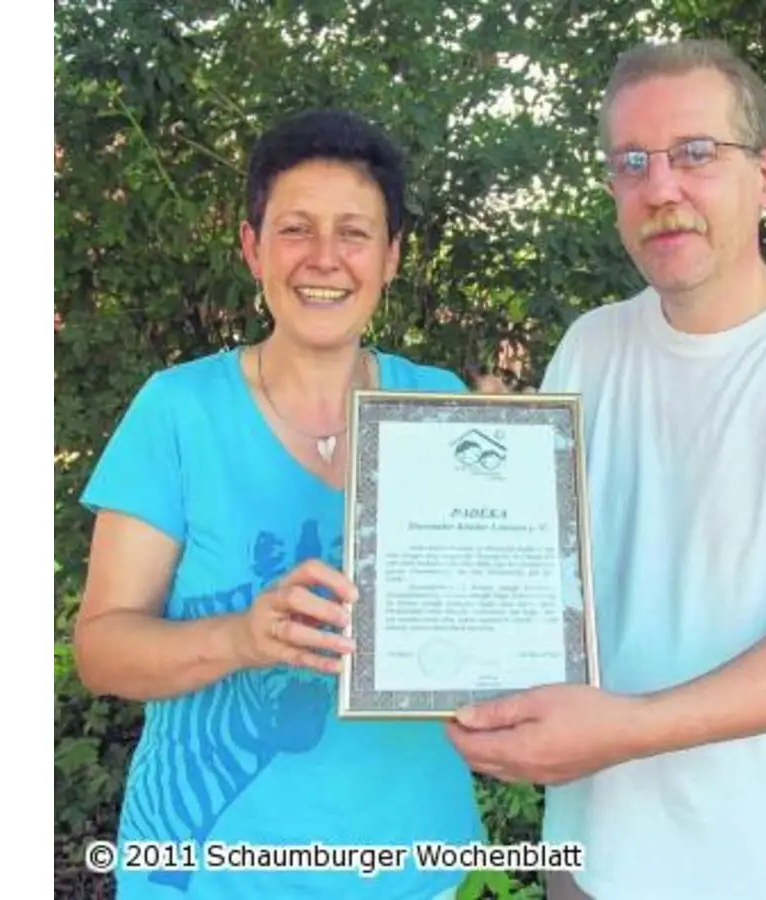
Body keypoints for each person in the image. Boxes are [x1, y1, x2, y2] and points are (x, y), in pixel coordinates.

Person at [445, 39, 766, 900]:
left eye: (696, 154)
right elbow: (532, 576)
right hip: (590, 856)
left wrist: (626, 730)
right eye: (632, 162)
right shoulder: (590, 348)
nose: (662, 187)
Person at [74, 108, 483, 900]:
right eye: (295, 229)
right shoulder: (178, 411)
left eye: (355, 233)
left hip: (414, 867)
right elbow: (101, 650)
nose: (324, 259)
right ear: (253, 246)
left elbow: (481, 624)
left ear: (392, 256)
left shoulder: (443, 404)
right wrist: (240, 637)